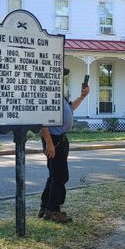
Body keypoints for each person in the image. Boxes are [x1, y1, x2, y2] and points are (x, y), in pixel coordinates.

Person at [38, 68, 89, 223]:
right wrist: (49, 143)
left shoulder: (59, 95)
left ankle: (45, 207)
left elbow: (70, 109)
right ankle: (53, 211)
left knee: (54, 176)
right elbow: (42, 121)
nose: (63, 78)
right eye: (60, 75)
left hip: (60, 139)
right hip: (54, 140)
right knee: (60, 176)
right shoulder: (48, 94)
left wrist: (82, 97)